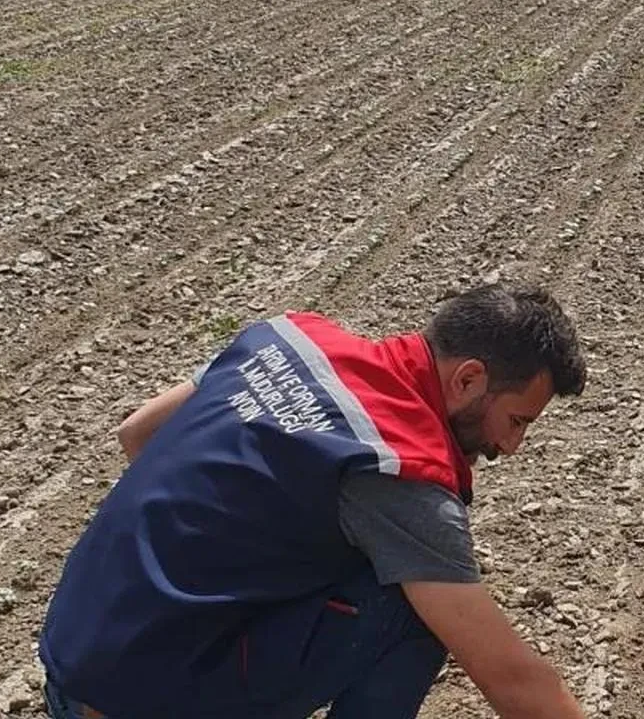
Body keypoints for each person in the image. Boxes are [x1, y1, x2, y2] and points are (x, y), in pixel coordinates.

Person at [39, 284, 591, 719]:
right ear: (468, 380)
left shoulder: (288, 339)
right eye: (516, 420)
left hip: (72, 663)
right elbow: (510, 679)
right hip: (140, 702)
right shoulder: (397, 466)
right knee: (414, 609)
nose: (511, 446)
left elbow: (138, 433)